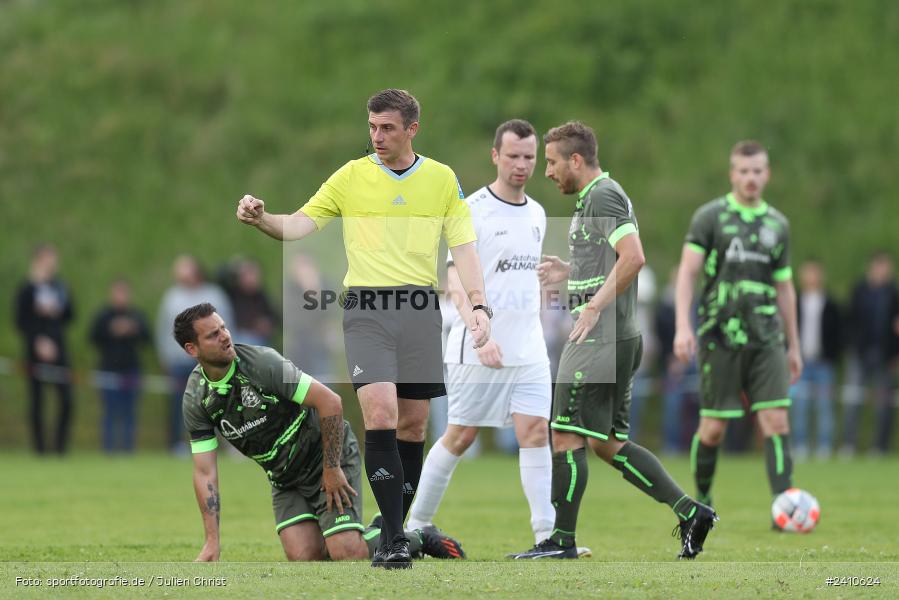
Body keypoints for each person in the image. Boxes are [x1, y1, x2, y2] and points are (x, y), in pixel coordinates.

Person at [236, 89, 490, 568]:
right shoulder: (351, 176)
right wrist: (262, 219)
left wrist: (479, 306)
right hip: (366, 308)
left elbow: (464, 247)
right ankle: (394, 540)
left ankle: (395, 530)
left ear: (412, 129)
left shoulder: (440, 179)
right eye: (372, 126)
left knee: (413, 424)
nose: (377, 136)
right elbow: (298, 224)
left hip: (419, 307)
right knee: (381, 413)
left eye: (388, 128)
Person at [511, 122, 716, 560]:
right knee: (606, 442)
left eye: (551, 162)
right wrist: (570, 270)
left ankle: (560, 542)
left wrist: (592, 307)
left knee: (564, 433)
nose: (546, 172)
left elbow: (634, 256)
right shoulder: (591, 200)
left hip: (600, 338)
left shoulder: (604, 194)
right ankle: (690, 511)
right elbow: (610, 258)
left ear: (576, 160)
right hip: (615, 337)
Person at [176, 303, 463, 564]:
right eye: (213, 335)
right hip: (285, 478)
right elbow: (204, 473)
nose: (225, 336)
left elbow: (330, 402)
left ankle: (417, 536)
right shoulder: (196, 398)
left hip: (324, 457)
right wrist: (211, 543)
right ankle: (379, 530)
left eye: (224, 327)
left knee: (346, 552)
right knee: (305, 556)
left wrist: (332, 467)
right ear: (192, 349)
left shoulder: (262, 364)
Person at [407, 119, 560, 553]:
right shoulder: (472, 209)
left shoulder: (537, 213)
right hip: (476, 343)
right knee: (461, 434)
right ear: (495, 155)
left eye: (529, 157)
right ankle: (416, 522)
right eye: (512, 156)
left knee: (535, 431)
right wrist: (479, 331)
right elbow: (454, 279)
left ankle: (545, 536)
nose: (521, 165)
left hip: (527, 345)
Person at [674, 140, 802, 521]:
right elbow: (688, 272)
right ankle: (703, 500)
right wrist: (684, 325)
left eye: (758, 171)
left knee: (776, 421)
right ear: (733, 174)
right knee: (712, 429)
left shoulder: (778, 225)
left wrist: (794, 345)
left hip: (767, 339)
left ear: (768, 174)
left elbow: (784, 287)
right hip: (720, 337)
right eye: (744, 171)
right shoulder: (709, 217)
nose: (751, 178)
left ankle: (786, 506)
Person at [156, 255, 234, 453]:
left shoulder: (214, 294)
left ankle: (227, 443)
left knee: (218, 401)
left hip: (210, 360)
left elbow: (227, 324)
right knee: (178, 404)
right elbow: (163, 328)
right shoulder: (171, 296)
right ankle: (177, 444)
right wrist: (165, 356)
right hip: (179, 361)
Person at [14, 244, 75, 455]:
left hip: (59, 350)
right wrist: (37, 342)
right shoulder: (27, 289)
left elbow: (70, 315)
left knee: (67, 399)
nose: (54, 264)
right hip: (35, 351)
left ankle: (59, 449)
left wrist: (57, 308)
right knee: (37, 401)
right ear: (39, 261)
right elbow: (20, 321)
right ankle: (40, 450)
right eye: (50, 259)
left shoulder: (59, 286)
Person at [840, 252, 899, 456]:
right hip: (860, 353)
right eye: (880, 266)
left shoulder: (893, 293)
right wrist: (852, 346)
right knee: (852, 399)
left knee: (884, 404)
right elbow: (850, 321)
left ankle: (879, 447)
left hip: (884, 355)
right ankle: (848, 444)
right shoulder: (859, 291)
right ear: (872, 267)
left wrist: (895, 355)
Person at [89, 278, 151, 453]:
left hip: (131, 369)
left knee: (130, 412)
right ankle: (108, 450)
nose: (121, 297)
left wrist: (133, 329)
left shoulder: (136, 315)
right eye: (118, 292)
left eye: (124, 293)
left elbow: (147, 339)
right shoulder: (103, 316)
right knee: (110, 412)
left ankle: (128, 449)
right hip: (108, 370)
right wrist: (111, 330)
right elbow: (92, 338)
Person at [792, 260, 843, 459]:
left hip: (824, 363)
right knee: (799, 406)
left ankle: (824, 446)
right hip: (799, 363)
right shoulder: (794, 301)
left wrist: (832, 355)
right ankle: (800, 445)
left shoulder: (830, 304)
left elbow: (838, 334)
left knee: (824, 406)